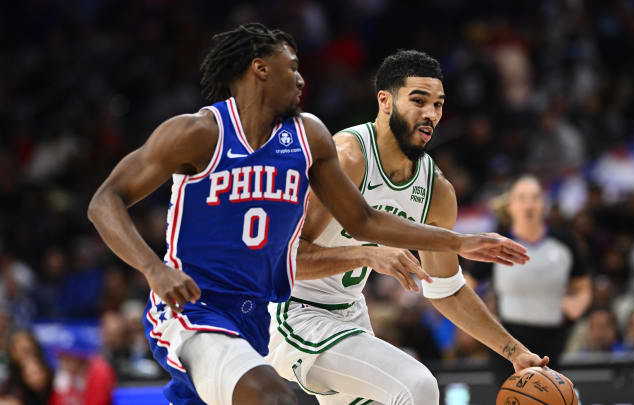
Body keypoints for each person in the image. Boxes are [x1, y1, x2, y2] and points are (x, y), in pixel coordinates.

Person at [87, 24, 531, 405]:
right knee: (399, 388)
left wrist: (459, 244)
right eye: (292, 67)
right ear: (260, 68)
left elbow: (365, 222)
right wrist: (152, 269)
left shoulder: (309, 137)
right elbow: (104, 200)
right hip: (206, 308)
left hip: (262, 316)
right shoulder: (198, 132)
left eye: (439, 103)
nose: (301, 79)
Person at [266, 50, 549, 405]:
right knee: (416, 385)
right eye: (418, 101)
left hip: (350, 318)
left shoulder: (437, 190)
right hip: (292, 312)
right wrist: (366, 255)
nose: (430, 114)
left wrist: (513, 352)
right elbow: (282, 261)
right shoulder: (347, 158)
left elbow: (446, 289)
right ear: (384, 100)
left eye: (438, 105)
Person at [488, 175, 592, 386]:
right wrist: (485, 320)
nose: (529, 204)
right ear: (511, 206)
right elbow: (467, 284)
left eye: (535, 197)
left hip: (554, 337)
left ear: (544, 204)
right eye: (522, 198)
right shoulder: (497, 243)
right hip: (509, 338)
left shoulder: (565, 242)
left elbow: (583, 286)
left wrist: (577, 304)